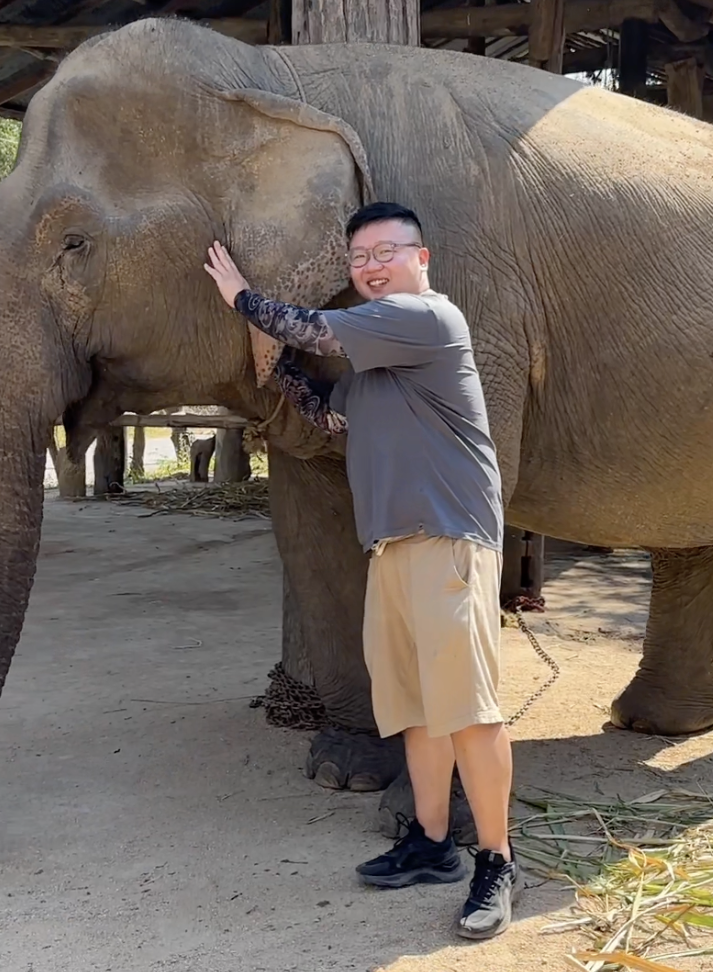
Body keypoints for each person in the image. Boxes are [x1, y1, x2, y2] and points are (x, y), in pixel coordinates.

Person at [202, 202, 521, 940]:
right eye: (359, 258)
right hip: (389, 548)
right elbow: (324, 413)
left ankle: (499, 861)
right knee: (414, 709)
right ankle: (433, 844)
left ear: (422, 257)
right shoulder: (376, 366)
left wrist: (242, 297)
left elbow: (312, 329)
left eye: (386, 250)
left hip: (447, 542)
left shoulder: (429, 320)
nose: (371, 265)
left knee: (469, 710)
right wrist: (269, 367)